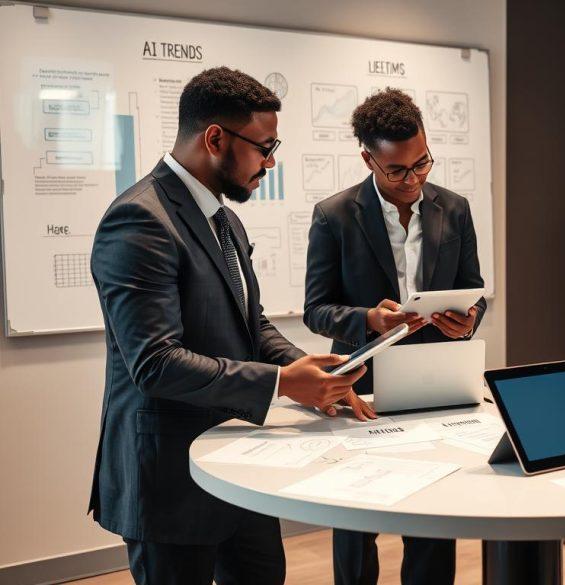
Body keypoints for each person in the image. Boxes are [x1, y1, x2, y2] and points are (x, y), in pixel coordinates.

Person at [89, 67, 366, 585]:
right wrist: (284, 384)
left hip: (239, 466)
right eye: (265, 147)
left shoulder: (225, 219)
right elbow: (155, 363)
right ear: (215, 138)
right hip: (169, 478)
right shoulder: (139, 220)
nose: (272, 161)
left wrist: (304, 368)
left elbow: (248, 322)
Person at [304, 88, 486, 585]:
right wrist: (366, 317)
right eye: (398, 170)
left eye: (422, 162)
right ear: (368, 158)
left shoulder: (455, 208)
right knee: (357, 521)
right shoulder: (334, 215)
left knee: (433, 514)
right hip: (362, 386)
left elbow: (475, 290)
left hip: (436, 381)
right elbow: (315, 311)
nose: (415, 179)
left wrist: (469, 319)